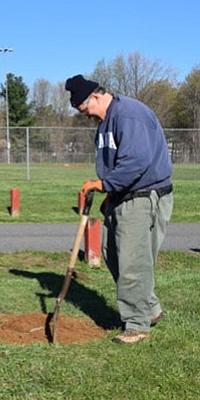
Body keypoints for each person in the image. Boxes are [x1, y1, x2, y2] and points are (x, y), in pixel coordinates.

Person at [65, 75, 173, 344]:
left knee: (131, 261)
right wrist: (109, 193)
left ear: (97, 97)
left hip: (142, 195)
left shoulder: (129, 115)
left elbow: (136, 161)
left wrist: (104, 184)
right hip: (122, 195)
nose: (86, 116)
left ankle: (137, 325)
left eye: (85, 109)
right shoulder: (106, 121)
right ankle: (150, 309)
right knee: (112, 254)